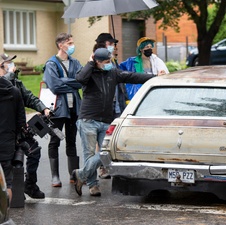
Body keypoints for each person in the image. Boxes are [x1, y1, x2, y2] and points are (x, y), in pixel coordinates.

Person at [73, 48, 165, 196]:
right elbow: (80, 79)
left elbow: (133, 76)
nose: (110, 63)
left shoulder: (113, 72)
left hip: (106, 119)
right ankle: (92, 185)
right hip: (88, 119)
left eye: (110, 61)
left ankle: (80, 175)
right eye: (106, 62)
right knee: (89, 154)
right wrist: (90, 63)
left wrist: (155, 77)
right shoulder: (88, 72)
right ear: (97, 61)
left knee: (106, 153)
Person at [0, 53, 50, 198]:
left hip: (17, 131)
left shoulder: (16, 84)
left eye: (11, 63)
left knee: (34, 150)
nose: (12, 66)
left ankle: (30, 185)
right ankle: (13, 190)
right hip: (6, 132)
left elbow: (30, 98)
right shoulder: (8, 85)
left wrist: (44, 108)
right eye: (8, 63)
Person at [43, 33, 82, 187]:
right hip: (58, 110)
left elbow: (81, 81)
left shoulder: (75, 62)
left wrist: (65, 81)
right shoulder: (51, 63)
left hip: (74, 109)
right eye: (69, 43)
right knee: (54, 141)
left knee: (72, 142)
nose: (72, 45)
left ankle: (73, 175)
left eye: (72, 42)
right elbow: (54, 85)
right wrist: (71, 84)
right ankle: (55, 177)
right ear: (61, 45)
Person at [94, 33, 128, 179]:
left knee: (116, 137)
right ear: (104, 44)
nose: (114, 46)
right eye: (111, 43)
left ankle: (114, 166)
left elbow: (121, 82)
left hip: (117, 105)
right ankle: (102, 167)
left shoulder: (113, 62)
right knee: (102, 139)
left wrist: (126, 99)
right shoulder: (96, 62)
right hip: (105, 106)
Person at [0, 76, 26, 203]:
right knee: (7, 182)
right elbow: (21, 121)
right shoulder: (15, 92)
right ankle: (5, 214)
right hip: (7, 142)